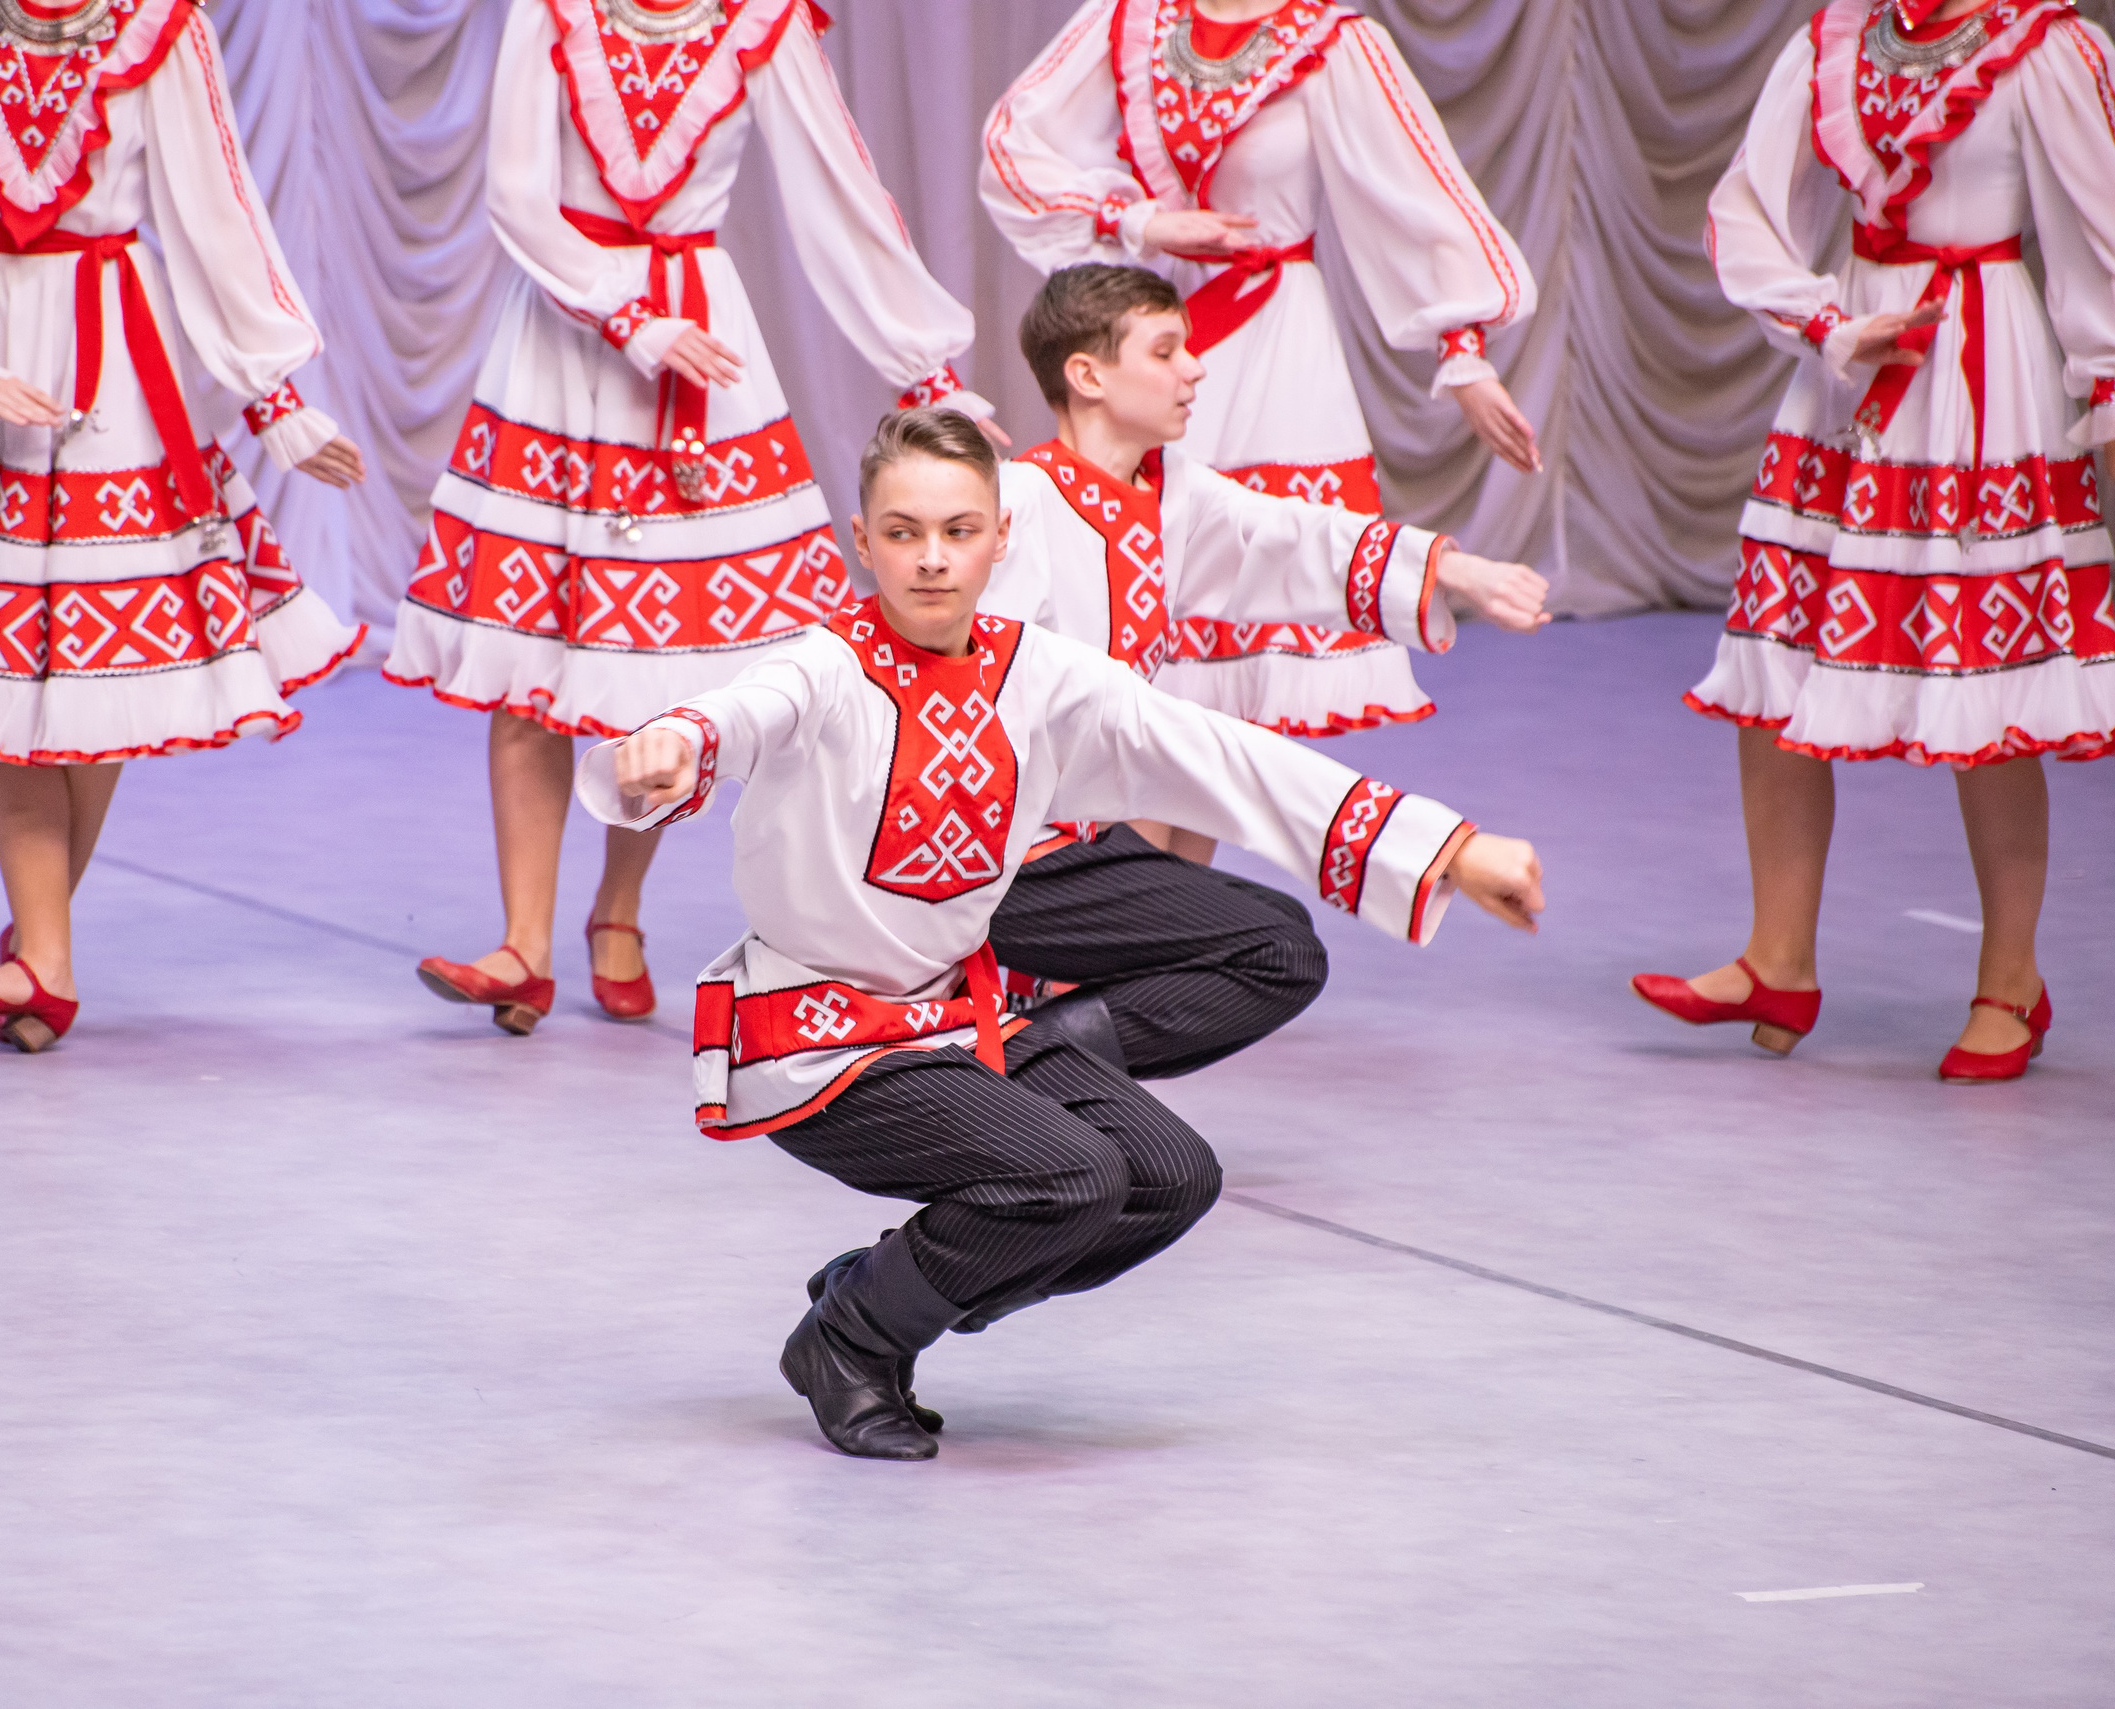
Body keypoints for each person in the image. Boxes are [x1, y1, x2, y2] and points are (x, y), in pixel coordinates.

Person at [576, 409, 1545, 1460]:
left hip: (959, 1013)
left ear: (1000, 538)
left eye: (958, 530)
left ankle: (893, 1288)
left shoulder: (1041, 673)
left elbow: (1223, 755)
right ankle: (852, 1336)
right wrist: (675, 741)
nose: (932, 558)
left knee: (1172, 1175)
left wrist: (1447, 848)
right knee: (1073, 1173)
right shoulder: (822, 669)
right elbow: (741, 709)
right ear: (861, 541)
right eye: (902, 532)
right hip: (821, 1037)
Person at [388, 0, 1002, 1036]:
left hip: (701, 355)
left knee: (671, 663)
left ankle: (616, 911)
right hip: (566, 334)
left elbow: (837, 194)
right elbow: (516, 197)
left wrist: (923, 366)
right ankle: (522, 945)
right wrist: (623, 312)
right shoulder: (556, 12)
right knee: (532, 650)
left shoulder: (763, 21)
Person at [0, 0, 371, 1051]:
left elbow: (216, 210)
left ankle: (40, 949)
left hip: (118, 357)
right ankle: (43, 954)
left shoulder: (160, 27)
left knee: (91, 661)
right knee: (8, 662)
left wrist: (275, 398)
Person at [1635, 0, 2115, 1083]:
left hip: (1978, 368)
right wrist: (1822, 320)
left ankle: (2009, 978)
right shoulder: (1834, 39)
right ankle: (1777, 956)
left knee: (1987, 690)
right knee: (1777, 669)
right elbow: (1748, 206)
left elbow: (2101, 239)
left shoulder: (2045, 46)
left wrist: (2105, 404)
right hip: (1851, 364)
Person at [985, 265, 1548, 1078]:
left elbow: (1286, 535)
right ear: (1087, 374)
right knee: (1264, 935)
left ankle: (1037, 1060)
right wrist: (1440, 847)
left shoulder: (1165, 490)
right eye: (1167, 349)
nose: (1197, 367)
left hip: (1083, 827)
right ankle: (1018, 1062)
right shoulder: (1016, 505)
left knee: (1270, 946)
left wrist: (1454, 572)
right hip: (1000, 851)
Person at [982, 0, 1540, 744]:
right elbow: (1015, 147)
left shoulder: (1330, 40)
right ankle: (1126, 854)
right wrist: (1140, 221)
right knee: (1159, 645)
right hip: (1163, 319)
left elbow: (1411, 183)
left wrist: (1462, 350)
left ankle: (1178, 861)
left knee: (1253, 622)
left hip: (1280, 339)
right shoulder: (1134, 20)